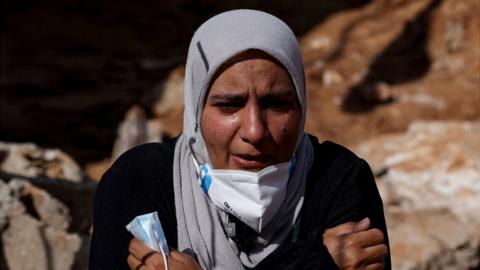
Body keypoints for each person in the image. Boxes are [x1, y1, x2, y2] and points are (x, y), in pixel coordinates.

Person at [89, 9, 390, 270]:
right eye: (229, 105)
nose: (255, 131)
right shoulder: (140, 181)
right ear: (196, 111)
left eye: (277, 104)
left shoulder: (338, 177)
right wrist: (317, 261)